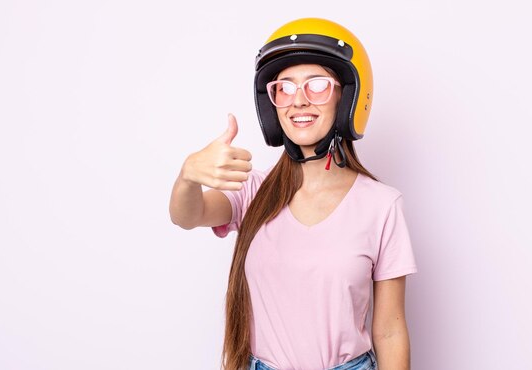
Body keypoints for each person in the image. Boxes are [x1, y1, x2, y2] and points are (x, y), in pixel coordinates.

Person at [169, 18, 418, 370]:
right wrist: (187, 176)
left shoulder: (381, 205)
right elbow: (187, 215)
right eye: (284, 88)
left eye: (317, 85)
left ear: (346, 98)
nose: (298, 100)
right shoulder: (253, 190)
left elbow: (390, 331)